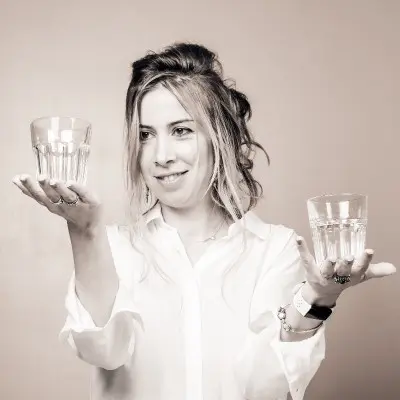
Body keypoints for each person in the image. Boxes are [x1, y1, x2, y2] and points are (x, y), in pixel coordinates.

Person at [12, 42, 396, 400]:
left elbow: (264, 389)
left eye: (181, 131)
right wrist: (84, 231)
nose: (160, 155)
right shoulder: (111, 247)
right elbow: (104, 351)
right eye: (146, 135)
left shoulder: (275, 249)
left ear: (220, 138)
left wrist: (318, 299)